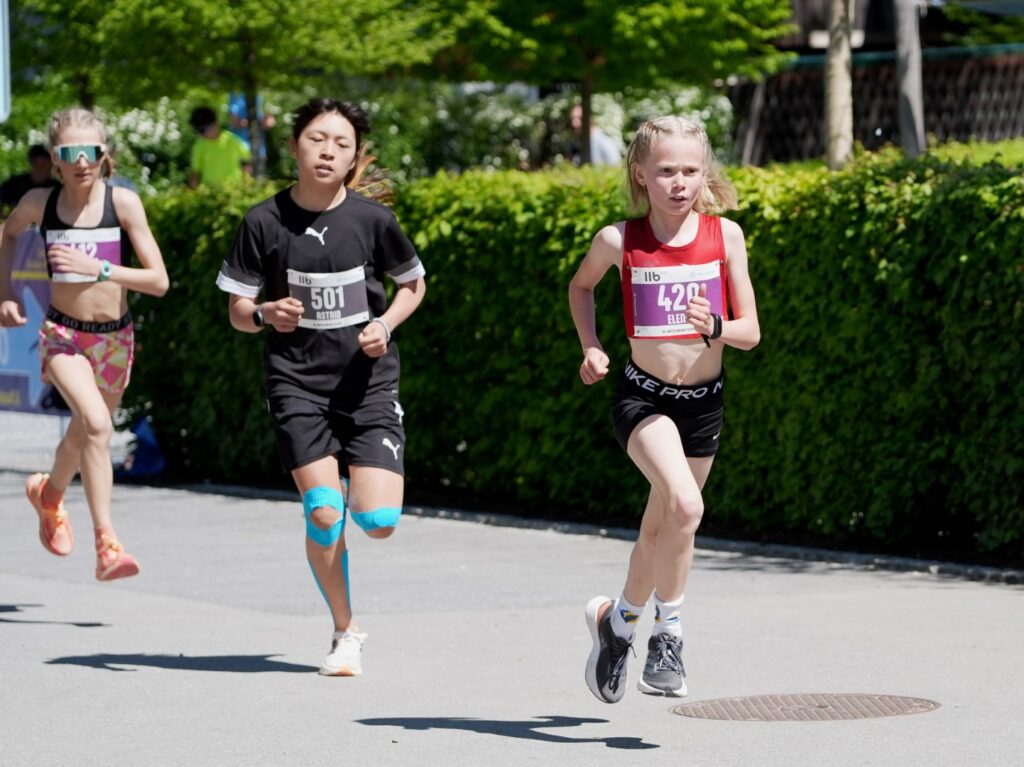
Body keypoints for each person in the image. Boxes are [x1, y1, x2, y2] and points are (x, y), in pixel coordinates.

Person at [215, 97, 426, 676]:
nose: (328, 151)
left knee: (377, 522)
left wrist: (385, 324)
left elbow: (413, 285)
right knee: (326, 512)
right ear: (294, 147)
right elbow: (237, 310)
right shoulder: (263, 221)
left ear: (355, 158)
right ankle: (345, 631)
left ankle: (351, 484)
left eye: (341, 144)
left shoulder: (373, 221)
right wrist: (264, 313)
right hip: (296, 384)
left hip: (368, 384)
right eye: (316, 139)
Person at [568, 116, 760, 702]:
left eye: (690, 171)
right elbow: (581, 287)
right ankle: (668, 634)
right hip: (644, 398)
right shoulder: (618, 240)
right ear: (641, 175)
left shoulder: (725, 236)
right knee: (686, 504)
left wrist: (717, 326)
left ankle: (618, 623)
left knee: (664, 527)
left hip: (702, 405)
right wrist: (592, 346)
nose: (679, 182)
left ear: (704, 174)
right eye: (667, 171)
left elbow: (751, 332)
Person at [0, 108, 169, 580]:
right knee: (96, 424)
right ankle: (107, 544)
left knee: (84, 433)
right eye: (70, 152)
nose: (81, 161)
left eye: (91, 151)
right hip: (63, 336)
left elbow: (158, 280)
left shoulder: (123, 203)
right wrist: (5, 293)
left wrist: (101, 269)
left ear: (104, 153)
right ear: (55, 157)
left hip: (114, 339)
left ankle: (48, 494)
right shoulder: (39, 203)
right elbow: (7, 235)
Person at [188, 106, 252, 188]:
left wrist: (245, 183)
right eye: (197, 131)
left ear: (215, 124)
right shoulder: (199, 146)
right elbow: (195, 173)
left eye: (202, 130)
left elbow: (248, 163)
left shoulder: (233, 141)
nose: (201, 135)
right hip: (210, 191)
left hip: (233, 190)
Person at [0, 144, 59, 217]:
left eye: (48, 162)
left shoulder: (57, 188)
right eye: (40, 163)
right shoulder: (14, 184)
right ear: (32, 162)